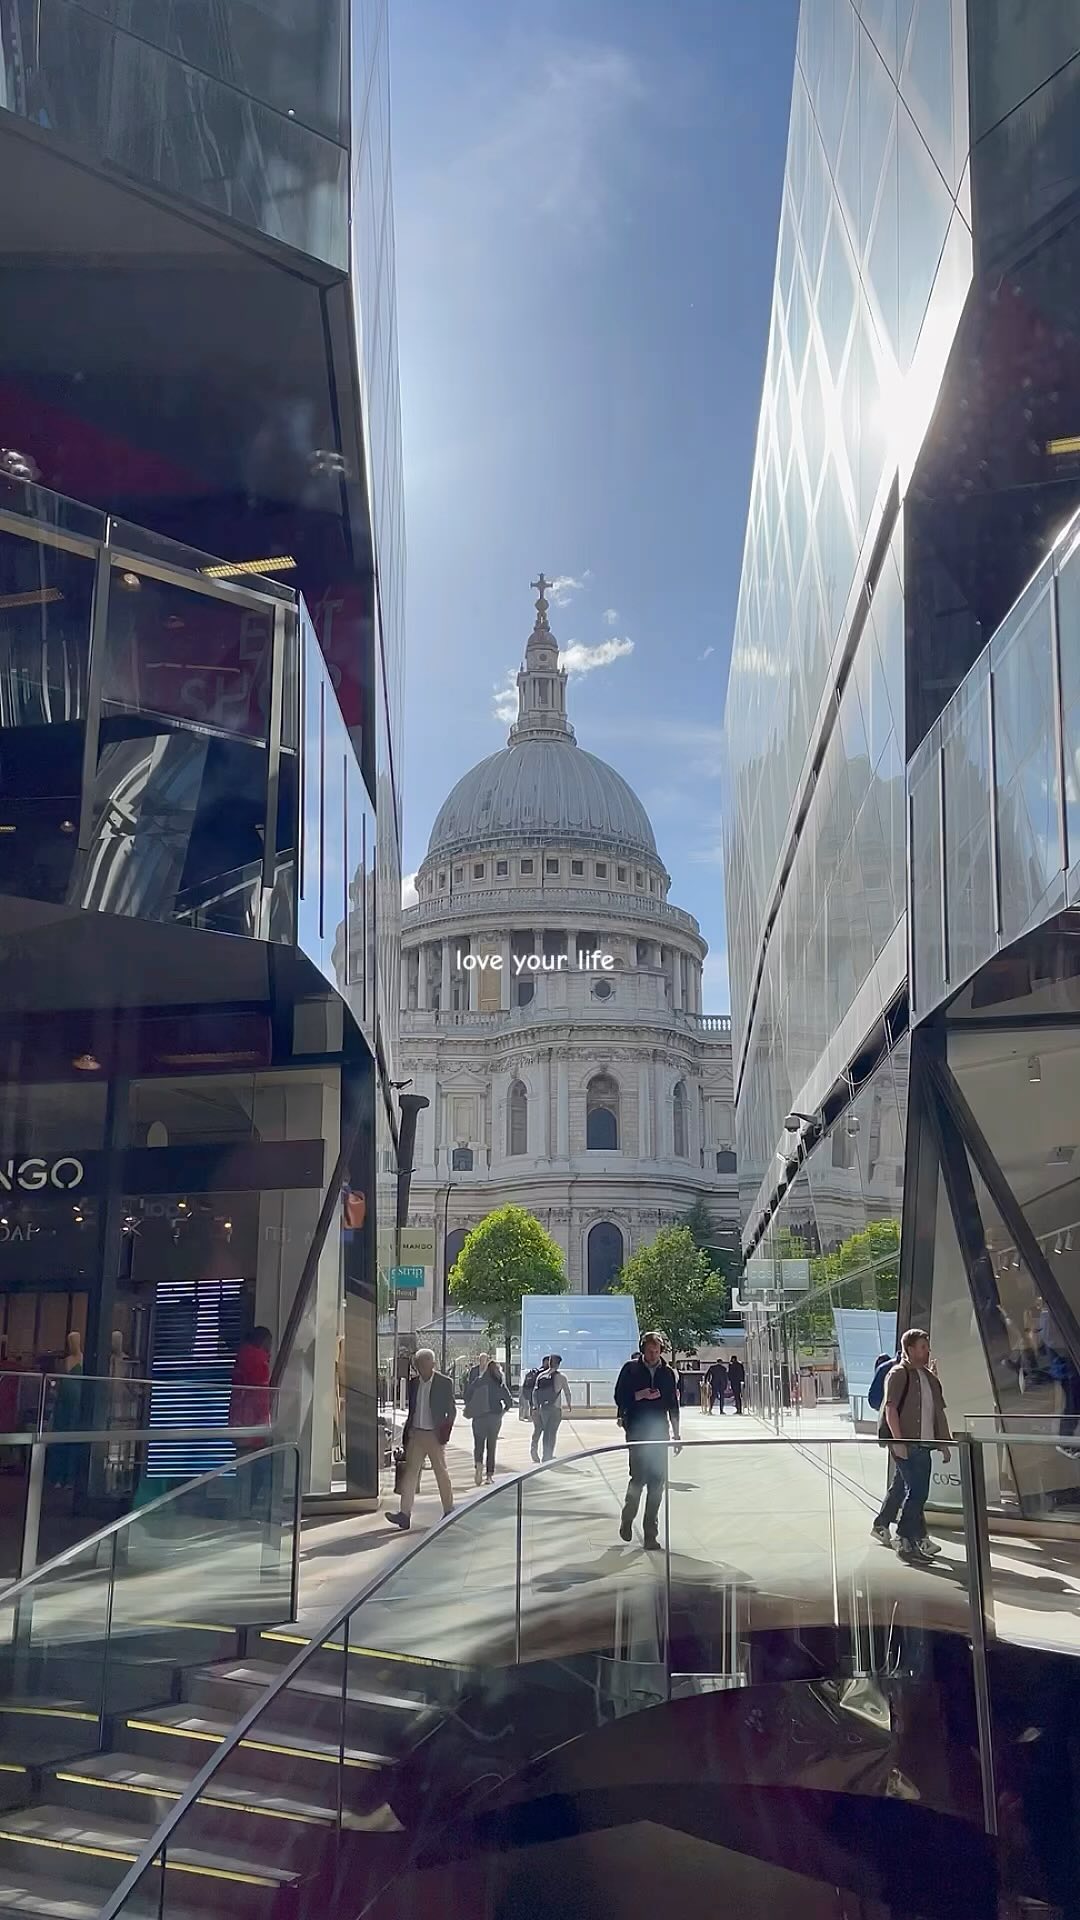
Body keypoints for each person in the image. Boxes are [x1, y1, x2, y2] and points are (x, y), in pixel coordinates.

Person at [879, 1328, 951, 1565]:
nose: (927, 1351)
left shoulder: (929, 1377)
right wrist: (898, 1442)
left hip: (925, 1445)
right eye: (922, 1347)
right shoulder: (899, 1374)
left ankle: (903, 1533)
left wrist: (943, 1443)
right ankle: (906, 1536)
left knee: (910, 1490)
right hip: (907, 1445)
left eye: (927, 1347)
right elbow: (890, 1408)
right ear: (909, 1349)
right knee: (917, 1492)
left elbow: (937, 1412)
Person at [614, 1331, 681, 1550]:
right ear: (642, 1349)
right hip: (637, 1431)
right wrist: (638, 1395)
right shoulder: (630, 1369)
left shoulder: (668, 1374)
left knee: (657, 1484)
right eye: (649, 1351)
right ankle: (628, 1517)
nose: (653, 1355)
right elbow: (618, 1396)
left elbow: (673, 1404)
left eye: (656, 1351)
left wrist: (677, 1434)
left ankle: (650, 1534)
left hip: (659, 1433)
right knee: (638, 1478)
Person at [386, 1348, 456, 1530]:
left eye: (425, 1366)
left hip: (434, 1434)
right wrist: (407, 1433)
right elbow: (412, 1410)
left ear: (433, 1364)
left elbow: (451, 1411)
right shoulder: (414, 1383)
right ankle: (404, 1514)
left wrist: (444, 1434)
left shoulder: (444, 1383)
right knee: (409, 1475)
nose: (422, 1370)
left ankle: (449, 1511)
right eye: (419, 1366)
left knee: (441, 1472)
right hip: (416, 1434)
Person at [465, 1358, 513, 1483]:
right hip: (494, 1418)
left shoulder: (478, 1381)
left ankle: (478, 1464)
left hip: (479, 1417)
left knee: (478, 1444)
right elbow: (509, 1402)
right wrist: (502, 1412)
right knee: (491, 1446)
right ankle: (489, 1475)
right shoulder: (499, 1383)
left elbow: (467, 1395)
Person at [532, 1353, 571, 1461]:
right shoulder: (562, 1377)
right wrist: (569, 1404)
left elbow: (535, 1393)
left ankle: (544, 1454)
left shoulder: (541, 1376)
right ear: (558, 1364)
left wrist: (536, 1406)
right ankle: (548, 1455)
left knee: (545, 1432)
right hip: (555, 1408)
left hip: (543, 1408)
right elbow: (567, 1392)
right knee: (552, 1432)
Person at [521, 1355, 548, 1456]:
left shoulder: (534, 1373)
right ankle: (547, 1453)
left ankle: (534, 1450)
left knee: (537, 1429)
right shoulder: (545, 1375)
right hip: (544, 1407)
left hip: (533, 1406)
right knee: (547, 1430)